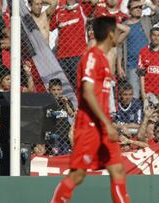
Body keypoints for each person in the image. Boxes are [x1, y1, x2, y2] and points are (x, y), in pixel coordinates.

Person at [50, 16, 130, 203]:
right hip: (89, 125)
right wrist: (106, 123)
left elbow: (125, 31)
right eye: (114, 32)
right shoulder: (91, 56)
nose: (117, 35)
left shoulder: (103, 57)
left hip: (103, 126)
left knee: (117, 170)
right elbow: (87, 92)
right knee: (78, 174)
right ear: (110, 34)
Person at [122, 0, 159, 99]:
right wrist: (120, 66)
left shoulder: (146, 20)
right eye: (135, 7)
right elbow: (119, 47)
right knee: (135, 96)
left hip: (148, 66)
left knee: (151, 96)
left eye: (140, 7)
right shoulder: (124, 25)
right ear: (129, 9)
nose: (138, 9)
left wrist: (147, 4)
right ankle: (137, 114)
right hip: (132, 66)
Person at [48, 78, 75, 155]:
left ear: (61, 90)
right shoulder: (47, 101)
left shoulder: (65, 100)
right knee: (55, 153)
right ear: (49, 90)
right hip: (53, 133)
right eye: (54, 90)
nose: (56, 92)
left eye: (58, 90)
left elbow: (71, 114)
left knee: (65, 153)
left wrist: (65, 103)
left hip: (65, 134)